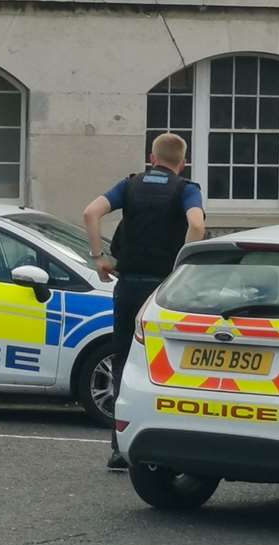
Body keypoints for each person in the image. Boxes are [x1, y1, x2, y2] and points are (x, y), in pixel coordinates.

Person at [83, 132, 206, 470]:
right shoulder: (186, 189)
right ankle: (166, 446)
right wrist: (184, 268)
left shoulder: (131, 185)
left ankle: (119, 448)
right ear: (182, 163)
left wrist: (99, 258)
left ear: (152, 158)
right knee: (168, 366)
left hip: (128, 286)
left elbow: (91, 212)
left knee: (125, 362)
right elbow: (196, 224)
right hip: (165, 291)